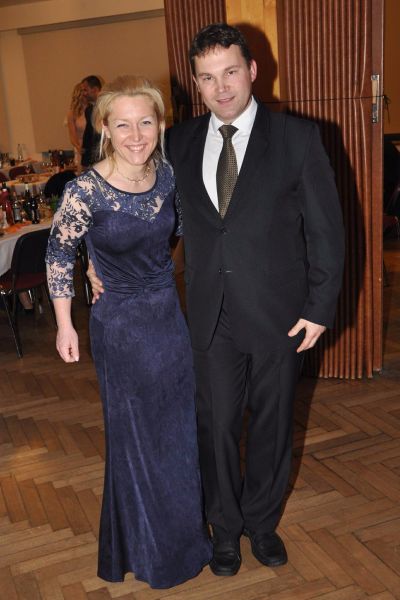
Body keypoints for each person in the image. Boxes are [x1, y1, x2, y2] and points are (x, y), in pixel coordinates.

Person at [88, 24, 345, 577]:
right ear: (196, 84)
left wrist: (320, 308)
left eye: (230, 72)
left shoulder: (299, 139)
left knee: (274, 426)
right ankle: (224, 530)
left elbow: (327, 232)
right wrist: (97, 259)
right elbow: (143, 213)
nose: (221, 87)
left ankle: (263, 523)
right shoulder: (177, 143)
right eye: (207, 78)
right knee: (215, 427)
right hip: (207, 316)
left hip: (281, 315)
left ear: (252, 70)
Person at [45, 75, 212, 588]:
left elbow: (177, 231)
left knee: (177, 434)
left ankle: (184, 542)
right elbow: (58, 253)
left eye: (145, 123)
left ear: (160, 125)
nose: (136, 135)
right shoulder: (84, 190)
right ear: (104, 128)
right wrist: (65, 324)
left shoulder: (167, 176)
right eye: (123, 125)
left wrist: (122, 263)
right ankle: (150, 551)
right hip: (119, 329)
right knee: (135, 439)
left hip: (167, 321)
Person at [81, 75, 102, 168]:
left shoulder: (108, 106)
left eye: (85, 90)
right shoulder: (89, 109)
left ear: (95, 89)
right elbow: (89, 133)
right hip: (93, 158)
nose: (83, 93)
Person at [66, 82, 88, 170]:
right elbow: (72, 136)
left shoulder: (94, 109)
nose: (86, 93)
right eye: (84, 91)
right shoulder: (72, 113)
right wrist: (79, 148)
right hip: (81, 149)